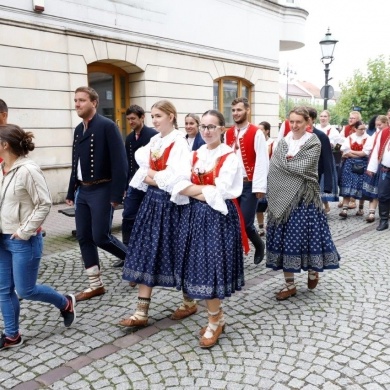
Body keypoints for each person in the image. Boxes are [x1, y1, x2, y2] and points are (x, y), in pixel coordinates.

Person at [120, 100, 198, 327]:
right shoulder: (155, 141)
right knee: (146, 251)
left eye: (158, 116)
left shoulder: (180, 144)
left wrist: (154, 176)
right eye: (152, 116)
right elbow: (143, 174)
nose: (154, 120)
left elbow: (176, 179)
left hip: (173, 205)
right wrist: (156, 176)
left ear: (171, 116)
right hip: (152, 203)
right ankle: (141, 312)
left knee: (177, 253)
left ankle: (189, 302)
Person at [171, 109, 244, 348]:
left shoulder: (230, 157)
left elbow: (220, 193)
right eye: (203, 126)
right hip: (193, 217)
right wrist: (197, 191)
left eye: (212, 126)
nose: (206, 130)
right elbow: (177, 183)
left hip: (217, 220)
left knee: (210, 270)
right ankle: (217, 319)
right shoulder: (196, 154)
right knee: (198, 268)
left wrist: (191, 189)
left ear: (222, 129)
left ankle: (214, 323)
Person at [0, 124, 76, 351]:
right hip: (2, 239)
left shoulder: (28, 170)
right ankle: (12, 335)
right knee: (3, 290)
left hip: (24, 240)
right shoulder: (2, 169)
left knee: (26, 290)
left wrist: (24, 230)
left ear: (4, 145)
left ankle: (66, 303)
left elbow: (44, 204)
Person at [266, 106, 340, 300]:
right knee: (283, 240)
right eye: (292, 121)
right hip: (282, 199)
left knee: (305, 238)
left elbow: (305, 166)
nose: (295, 125)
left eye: (299, 121)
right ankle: (289, 285)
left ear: (308, 122)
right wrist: (286, 164)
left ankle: (313, 271)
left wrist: (286, 164)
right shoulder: (283, 142)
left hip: (305, 199)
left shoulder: (313, 141)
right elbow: (274, 166)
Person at [66, 86, 128, 301]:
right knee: (84, 236)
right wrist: (71, 188)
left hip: (103, 188)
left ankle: (135, 262)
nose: (77, 104)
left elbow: (120, 163)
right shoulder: (78, 129)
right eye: (75, 100)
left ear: (94, 102)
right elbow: (76, 162)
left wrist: (116, 196)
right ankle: (95, 284)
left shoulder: (107, 126)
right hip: (82, 190)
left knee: (100, 236)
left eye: (82, 100)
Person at [224, 97, 268, 264]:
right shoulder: (228, 133)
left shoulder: (256, 132)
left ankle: (259, 244)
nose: (235, 113)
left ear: (247, 111)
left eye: (239, 110)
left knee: (246, 221)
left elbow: (262, 161)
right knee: (232, 220)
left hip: (249, 183)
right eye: (233, 110)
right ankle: (234, 257)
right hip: (231, 184)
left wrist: (259, 187)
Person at [114, 105, 158, 268]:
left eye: (133, 118)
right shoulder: (129, 138)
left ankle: (149, 255)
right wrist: (125, 186)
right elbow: (128, 164)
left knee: (149, 220)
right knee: (128, 216)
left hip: (150, 184)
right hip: (134, 184)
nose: (131, 122)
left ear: (142, 118)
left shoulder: (153, 136)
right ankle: (127, 253)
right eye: (128, 119)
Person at [338, 121, 369, 218]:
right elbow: (344, 150)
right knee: (347, 184)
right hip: (349, 164)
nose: (363, 131)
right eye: (361, 129)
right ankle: (345, 209)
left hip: (363, 164)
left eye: (364, 128)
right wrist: (356, 153)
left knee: (360, 185)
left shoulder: (368, 138)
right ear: (355, 129)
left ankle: (360, 208)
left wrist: (350, 152)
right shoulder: (350, 138)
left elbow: (365, 153)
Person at [362, 115, 389, 223]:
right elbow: (374, 150)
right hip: (383, 168)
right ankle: (381, 219)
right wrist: (372, 168)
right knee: (381, 193)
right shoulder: (382, 133)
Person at [316, 110, 342, 213]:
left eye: (325, 116)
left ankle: (325, 205)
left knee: (324, 180)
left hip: (326, 156)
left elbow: (340, 144)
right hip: (316, 157)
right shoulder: (316, 129)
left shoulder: (333, 130)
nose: (323, 118)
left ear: (329, 118)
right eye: (321, 116)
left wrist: (334, 148)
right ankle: (318, 205)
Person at [338, 111, 362, 209]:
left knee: (355, 179)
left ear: (358, 120)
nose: (350, 119)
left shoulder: (361, 128)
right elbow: (340, 140)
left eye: (353, 118)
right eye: (350, 118)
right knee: (344, 179)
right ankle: (344, 200)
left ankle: (353, 200)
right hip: (346, 156)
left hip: (357, 158)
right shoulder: (345, 128)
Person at [255, 121, 274, 236]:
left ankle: (271, 225)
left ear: (267, 131)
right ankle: (261, 227)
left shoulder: (273, 143)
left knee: (271, 203)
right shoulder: (256, 142)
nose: (259, 132)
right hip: (260, 176)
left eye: (261, 129)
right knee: (259, 203)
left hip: (271, 177)